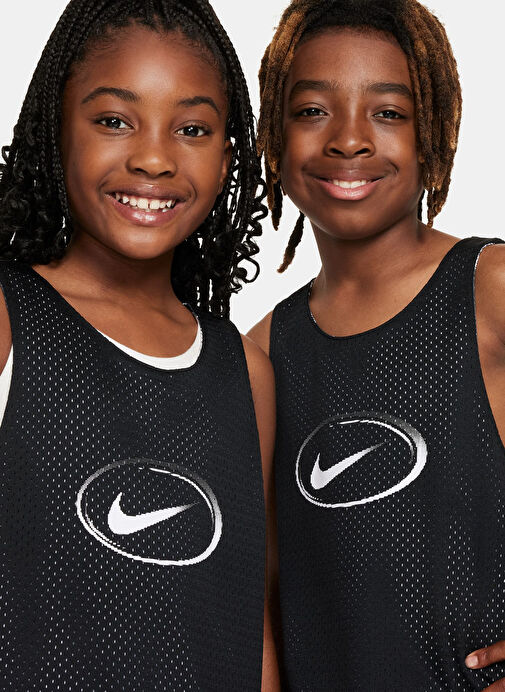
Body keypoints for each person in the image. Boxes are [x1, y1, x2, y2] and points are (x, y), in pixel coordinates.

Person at [0, 0, 279, 689]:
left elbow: (252, 632)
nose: (153, 158)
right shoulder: (11, 321)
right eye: (114, 121)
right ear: (55, 129)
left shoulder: (245, 372)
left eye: (192, 129)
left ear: (228, 157)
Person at [249, 0, 505, 688]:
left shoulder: (488, 291)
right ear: (273, 134)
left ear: (432, 133)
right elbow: (259, 601)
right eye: (312, 110)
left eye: (388, 112)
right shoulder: (260, 355)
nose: (348, 139)